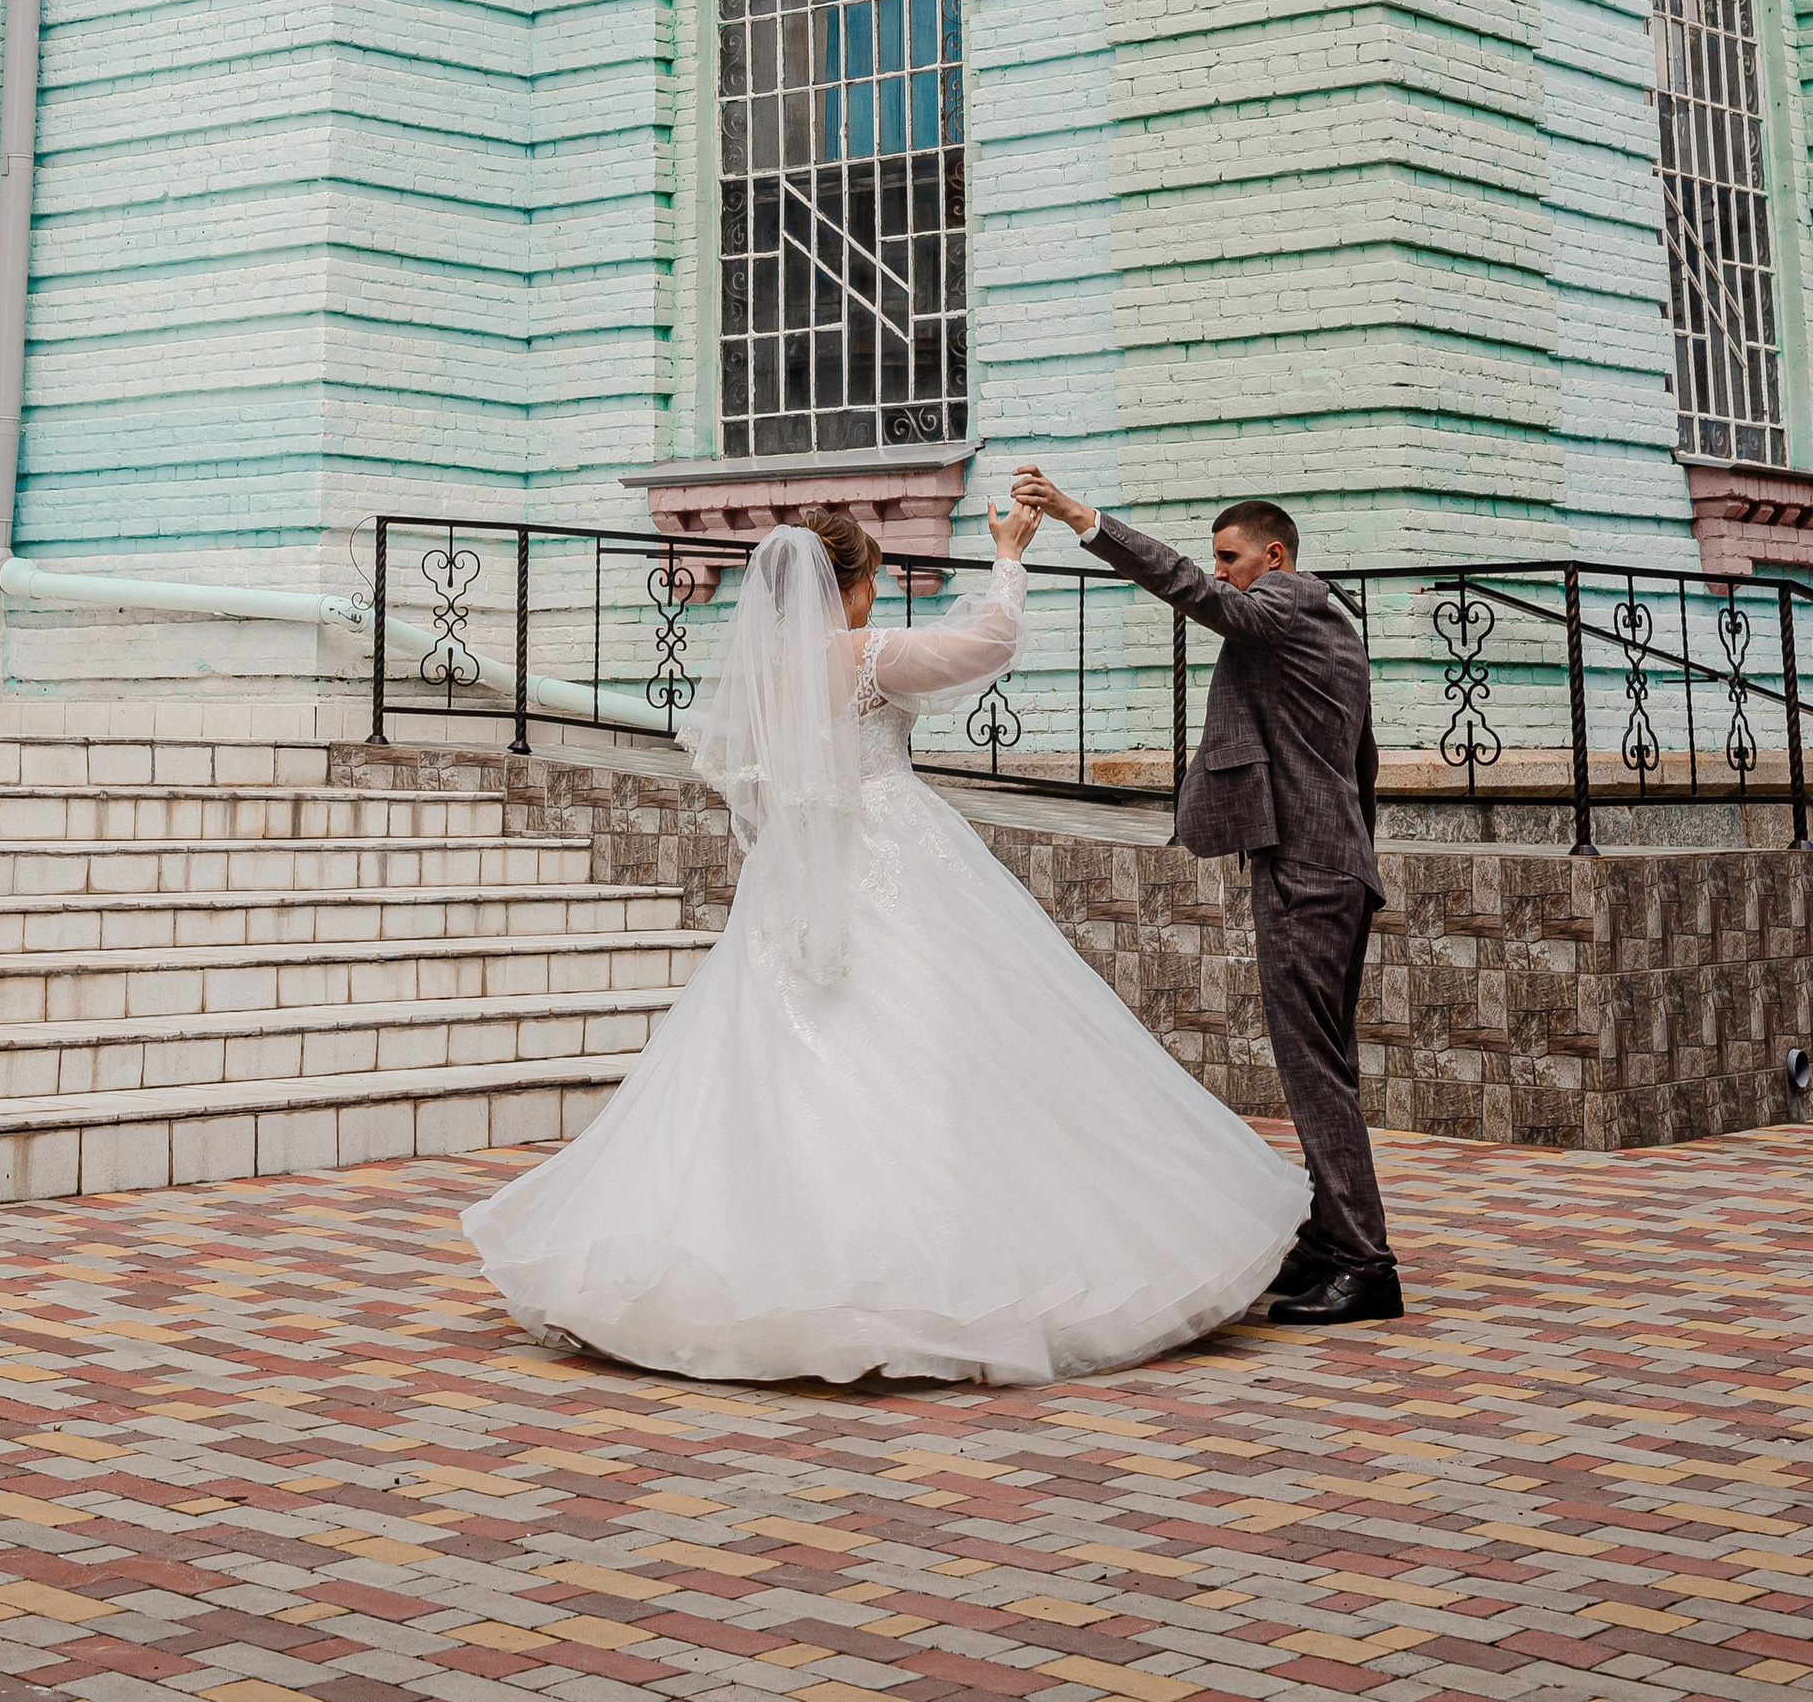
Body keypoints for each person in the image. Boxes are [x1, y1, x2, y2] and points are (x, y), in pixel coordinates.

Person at [464, 496, 1303, 1385]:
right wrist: (1010, 557)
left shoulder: (767, 670)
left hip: (795, 879)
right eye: (870, 579)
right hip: (894, 855)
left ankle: (747, 1262)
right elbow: (988, 646)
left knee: (771, 1057)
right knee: (940, 1045)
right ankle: (930, 1272)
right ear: (855, 585)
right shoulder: (864, 654)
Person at [1009, 468, 1399, 1327]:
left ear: (1276, 555)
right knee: (1323, 1063)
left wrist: (1083, 518)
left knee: (1313, 1071)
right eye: (1217, 559)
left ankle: (1366, 1264)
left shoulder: (1288, 605)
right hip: (1330, 861)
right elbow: (1358, 762)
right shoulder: (1326, 626)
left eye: (1230, 558)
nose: (1218, 572)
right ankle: (1332, 1239)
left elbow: (1190, 591)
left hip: (1308, 868)